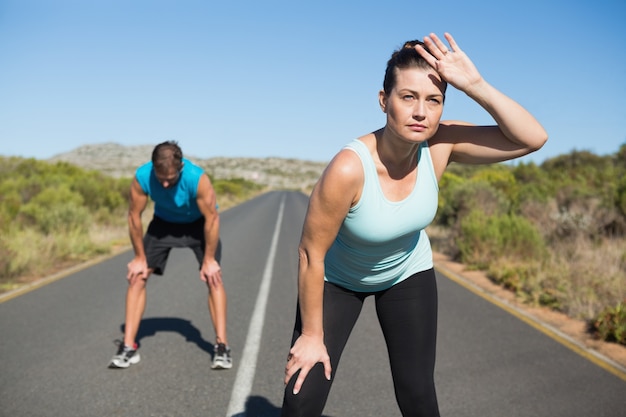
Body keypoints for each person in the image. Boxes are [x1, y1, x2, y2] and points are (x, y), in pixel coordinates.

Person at [281, 32, 547, 416]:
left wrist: (475, 85)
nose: (421, 112)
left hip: (407, 273)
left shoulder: (440, 145)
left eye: (433, 100)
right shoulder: (349, 167)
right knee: (301, 398)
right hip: (337, 280)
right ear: (383, 100)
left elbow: (532, 138)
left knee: (418, 395)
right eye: (408, 97)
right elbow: (310, 254)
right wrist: (311, 335)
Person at [109, 141, 232, 370]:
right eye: (161, 178)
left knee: (214, 277)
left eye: (171, 179)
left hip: (198, 225)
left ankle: (222, 347)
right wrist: (138, 257)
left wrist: (209, 260)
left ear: (181, 167)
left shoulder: (197, 178)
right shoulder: (143, 176)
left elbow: (212, 219)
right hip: (163, 225)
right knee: (137, 276)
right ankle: (128, 347)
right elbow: (134, 217)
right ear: (153, 167)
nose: (165, 183)